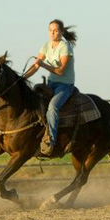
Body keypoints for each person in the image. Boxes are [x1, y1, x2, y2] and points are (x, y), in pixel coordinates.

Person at [24, 19, 77, 155]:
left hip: (65, 85)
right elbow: (36, 65)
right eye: (50, 30)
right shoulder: (46, 46)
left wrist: (43, 64)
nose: (53, 33)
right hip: (51, 84)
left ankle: (51, 141)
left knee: (53, 107)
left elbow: (60, 71)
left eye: (56, 30)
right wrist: (22, 78)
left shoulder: (65, 47)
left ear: (61, 32)